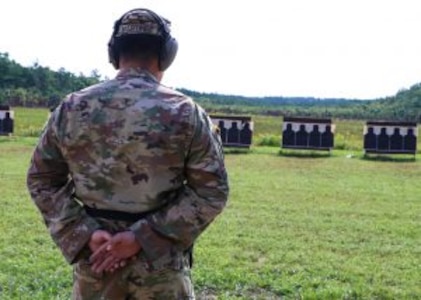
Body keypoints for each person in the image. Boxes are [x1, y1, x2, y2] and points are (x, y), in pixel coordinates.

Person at [27, 8, 229, 299]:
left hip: (97, 264)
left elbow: (42, 180)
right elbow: (212, 191)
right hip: (160, 270)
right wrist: (143, 238)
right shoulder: (186, 112)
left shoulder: (71, 108)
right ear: (167, 54)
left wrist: (84, 233)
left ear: (114, 53)